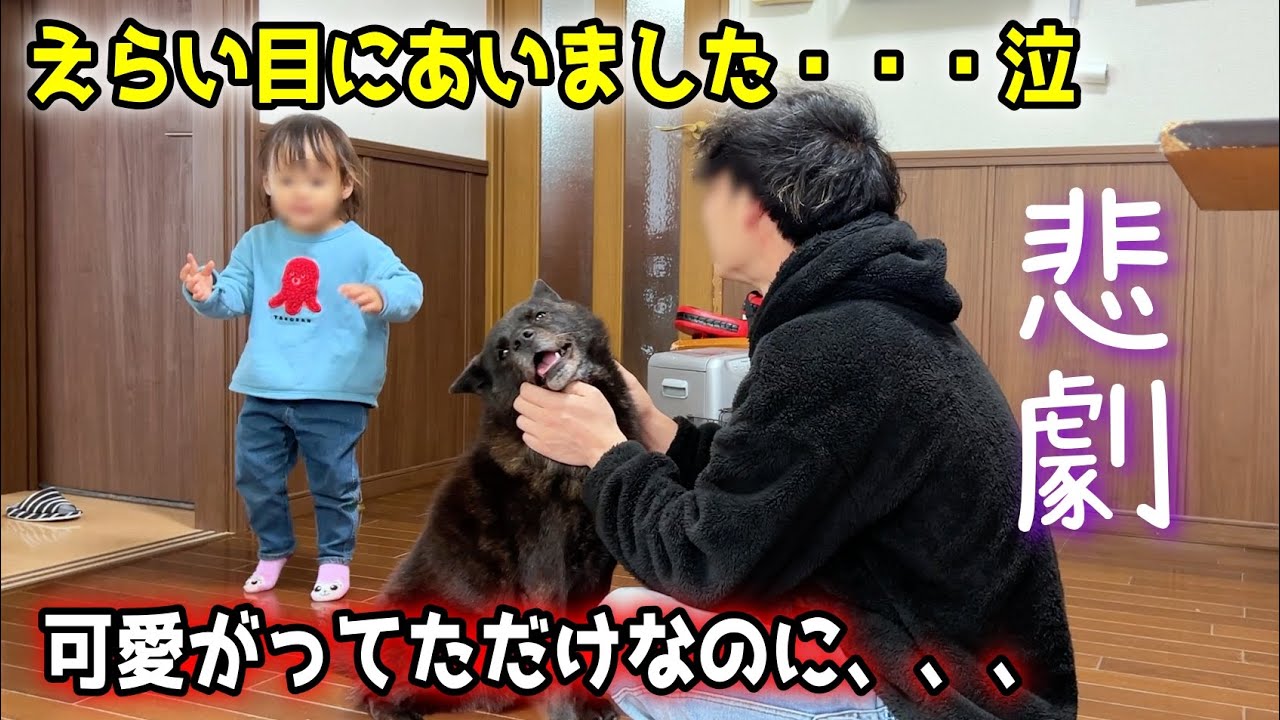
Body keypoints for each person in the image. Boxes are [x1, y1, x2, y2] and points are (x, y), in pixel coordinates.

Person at [513, 85, 1078, 719]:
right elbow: (776, 481)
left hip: (942, 697)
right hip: (959, 664)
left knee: (619, 642)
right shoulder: (873, 319)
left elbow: (704, 563)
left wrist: (604, 453)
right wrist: (647, 424)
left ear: (750, 201)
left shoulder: (835, 345)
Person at [180, 114, 423, 603]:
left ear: (344, 184)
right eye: (287, 179)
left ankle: (335, 557)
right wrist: (206, 292)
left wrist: (382, 296)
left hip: (336, 390)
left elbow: (409, 289)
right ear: (268, 183)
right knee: (254, 476)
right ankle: (274, 549)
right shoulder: (257, 241)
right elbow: (234, 295)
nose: (300, 192)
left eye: (315, 180)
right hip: (265, 387)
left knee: (333, 480)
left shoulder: (363, 247)